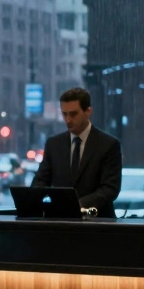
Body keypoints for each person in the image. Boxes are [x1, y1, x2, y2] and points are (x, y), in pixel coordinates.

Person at [31, 87, 122, 218]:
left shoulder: (108, 145)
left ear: (88, 112)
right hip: (60, 224)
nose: (67, 120)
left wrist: (75, 205)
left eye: (73, 114)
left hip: (98, 224)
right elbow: (40, 181)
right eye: (64, 114)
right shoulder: (54, 144)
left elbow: (110, 189)